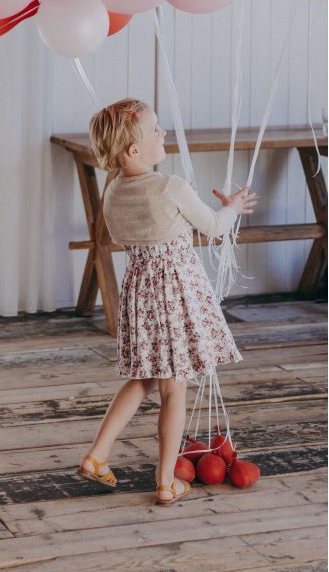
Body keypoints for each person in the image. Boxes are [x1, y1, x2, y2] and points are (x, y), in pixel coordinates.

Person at [78, 98, 258, 506]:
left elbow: (120, 237)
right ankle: (165, 481)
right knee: (174, 388)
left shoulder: (112, 191)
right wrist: (230, 208)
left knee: (143, 378)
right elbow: (212, 227)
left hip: (139, 292)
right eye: (155, 129)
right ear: (133, 150)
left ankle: (96, 455)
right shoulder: (171, 185)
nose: (164, 134)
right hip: (175, 293)